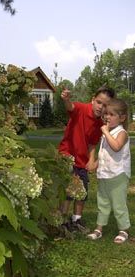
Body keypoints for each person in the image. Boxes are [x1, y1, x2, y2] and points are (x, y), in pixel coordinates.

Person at [58, 85, 115, 232]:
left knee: (82, 191)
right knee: (68, 190)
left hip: (82, 161)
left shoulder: (100, 124)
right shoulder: (81, 108)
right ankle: (61, 220)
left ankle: (76, 219)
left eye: (105, 105)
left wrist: (91, 160)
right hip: (67, 156)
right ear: (92, 100)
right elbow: (70, 107)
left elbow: (92, 144)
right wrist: (66, 99)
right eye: (98, 102)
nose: (100, 107)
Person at [87, 98, 131, 243]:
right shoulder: (108, 133)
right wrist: (96, 164)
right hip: (105, 174)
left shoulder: (122, 133)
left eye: (112, 114)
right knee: (103, 203)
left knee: (119, 204)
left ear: (122, 118)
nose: (107, 117)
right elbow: (105, 153)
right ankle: (99, 229)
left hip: (118, 174)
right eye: (106, 114)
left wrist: (106, 132)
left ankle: (123, 230)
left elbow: (116, 146)